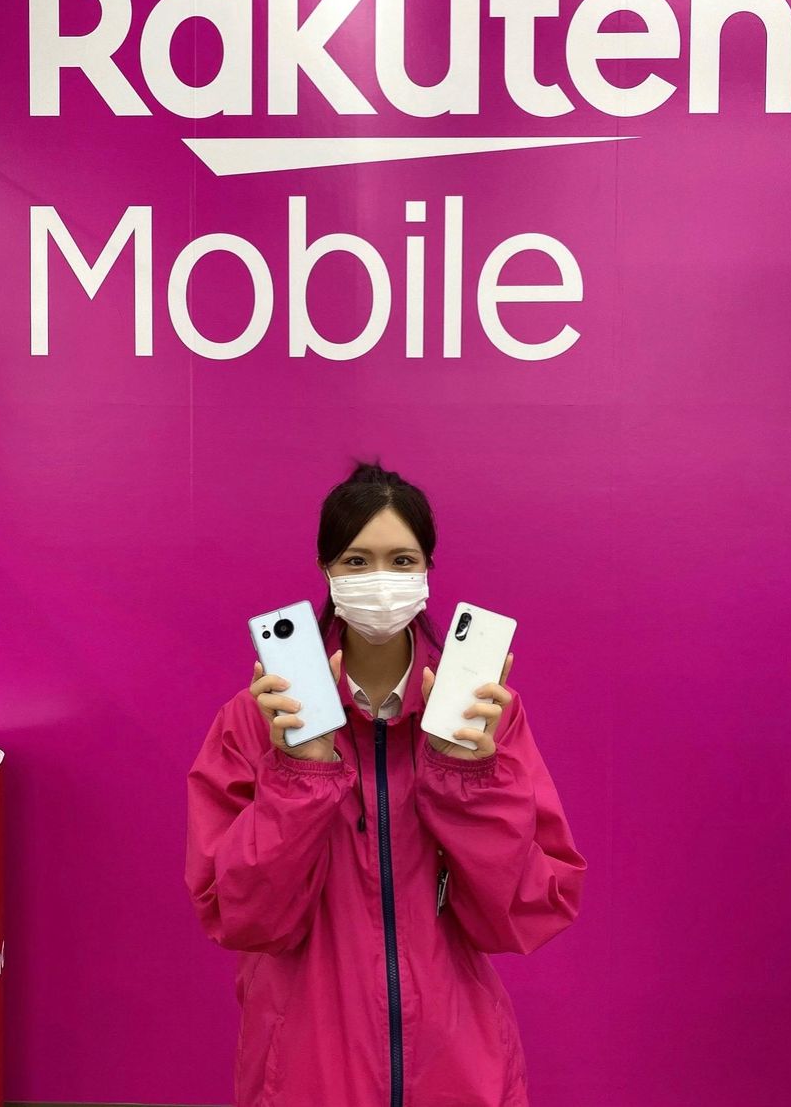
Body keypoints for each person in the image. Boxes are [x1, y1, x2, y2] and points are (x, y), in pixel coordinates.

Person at [185, 460, 587, 1107]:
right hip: (306, 1071)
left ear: (427, 570)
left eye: (402, 561)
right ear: (327, 569)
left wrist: (466, 778)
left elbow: (526, 912)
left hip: (459, 1066)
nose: (381, 580)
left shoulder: (483, 718)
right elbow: (242, 917)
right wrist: (301, 770)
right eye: (357, 560)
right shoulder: (255, 720)